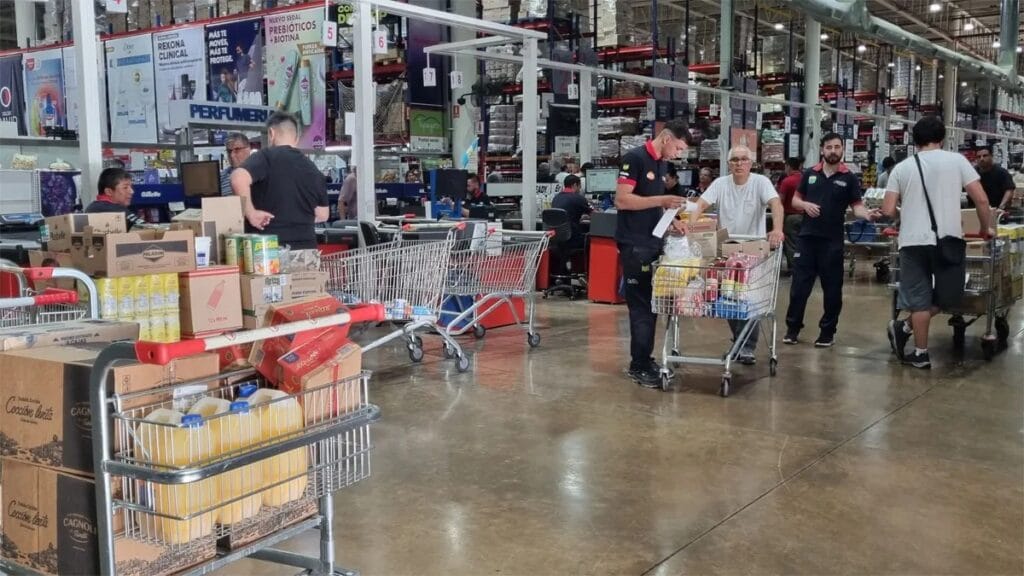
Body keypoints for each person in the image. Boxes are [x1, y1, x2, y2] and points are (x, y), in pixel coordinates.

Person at [883, 116, 993, 369]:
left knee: (918, 299)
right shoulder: (958, 161)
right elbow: (982, 200)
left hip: (911, 242)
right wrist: (985, 227)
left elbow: (888, 209)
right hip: (948, 240)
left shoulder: (902, 168)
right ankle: (905, 330)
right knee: (949, 295)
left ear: (915, 141)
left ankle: (919, 352)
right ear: (942, 138)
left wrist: (908, 212)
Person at [690, 145, 785, 365]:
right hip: (727, 247)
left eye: (743, 159)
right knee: (727, 296)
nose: (739, 163)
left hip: (753, 247)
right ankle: (739, 342)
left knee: (749, 298)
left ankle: (747, 346)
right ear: (728, 164)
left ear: (751, 163)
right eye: (734, 160)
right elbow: (700, 205)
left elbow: (776, 204)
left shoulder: (761, 182)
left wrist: (777, 229)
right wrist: (691, 226)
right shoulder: (720, 184)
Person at [784, 135, 879, 348]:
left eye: (837, 147)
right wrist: (805, 205)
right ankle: (792, 328)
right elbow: (795, 200)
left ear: (842, 149)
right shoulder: (810, 174)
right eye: (829, 147)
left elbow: (857, 207)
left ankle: (827, 332)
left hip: (832, 242)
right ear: (822, 150)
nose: (833, 151)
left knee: (833, 289)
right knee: (799, 287)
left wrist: (867, 215)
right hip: (807, 239)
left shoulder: (849, 178)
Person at [616, 120, 690, 388]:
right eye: (678, 148)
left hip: (653, 243)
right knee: (641, 308)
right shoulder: (635, 159)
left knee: (652, 305)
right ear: (666, 138)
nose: (678, 154)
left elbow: (652, 206)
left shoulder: (661, 165)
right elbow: (622, 200)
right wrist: (662, 200)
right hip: (635, 245)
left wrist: (672, 221)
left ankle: (645, 359)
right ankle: (638, 365)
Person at [230, 111, 329, 250]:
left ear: (271, 133)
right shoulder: (312, 168)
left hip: (268, 250)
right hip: (306, 250)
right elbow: (323, 214)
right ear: (297, 138)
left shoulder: (266, 157)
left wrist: (251, 213)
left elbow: (238, 178)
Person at [777, 157, 805, 274]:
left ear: (788, 166)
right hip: (806, 216)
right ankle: (805, 266)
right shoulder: (805, 179)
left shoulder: (787, 181)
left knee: (791, 244)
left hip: (791, 217)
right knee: (803, 243)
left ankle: (794, 268)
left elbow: (780, 201)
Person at [550, 174, 592, 250]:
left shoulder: (556, 198)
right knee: (592, 237)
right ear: (575, 185)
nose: (580, 189)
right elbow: (595, 215)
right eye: (579, 187)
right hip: (572, 238)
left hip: (556, 237)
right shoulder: (578, 198)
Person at [974, 145, 1016, 212]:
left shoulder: (1001, 172)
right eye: (979, 157)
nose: (981, 159)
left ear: (991, 156)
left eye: (985, 156)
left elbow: (1009, 190)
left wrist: (1001, 207)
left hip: (998, 209)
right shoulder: (973, 172)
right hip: (978, 210)